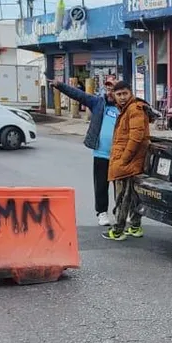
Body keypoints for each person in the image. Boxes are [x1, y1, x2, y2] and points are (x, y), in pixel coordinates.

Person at [52, 78, 122, 226]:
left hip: (120, 155)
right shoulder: (98, 103)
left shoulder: (124, 107)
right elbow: (78, 95)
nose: (110, 93)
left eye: (113, 90)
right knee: (101, 185)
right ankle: (102, 213)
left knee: (120, 187)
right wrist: (60, 86)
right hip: (101, 153)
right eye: (108, 89)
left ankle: (120, 212)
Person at [103, 81, 152, 241]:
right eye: (119, 94)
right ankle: (135, 226)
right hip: (133, 161)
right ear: (114, 96)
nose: (122, 97)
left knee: (123, 196)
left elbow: (136, 137)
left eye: (125, 93)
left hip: (128, 161)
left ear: (130, 93)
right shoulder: (128, 109)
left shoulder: (134, 109)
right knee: (132, 195)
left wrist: (124, 160)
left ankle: (118, 230)